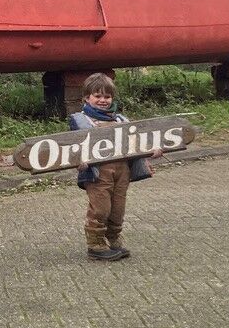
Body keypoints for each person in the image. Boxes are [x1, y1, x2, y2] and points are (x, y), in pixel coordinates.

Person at [67, 73, 161, 262]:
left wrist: (150, 152)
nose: (103, 100)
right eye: (98, 96)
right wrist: (77, 160)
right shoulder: (82, 121)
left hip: (122, 171)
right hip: (97, 173)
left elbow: (135, 143)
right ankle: (95, 245)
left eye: (107, 96)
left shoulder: (121, 120)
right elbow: (72, 147)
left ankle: (113, 238)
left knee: (118, 208)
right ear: (87, 98)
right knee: (101, 208)